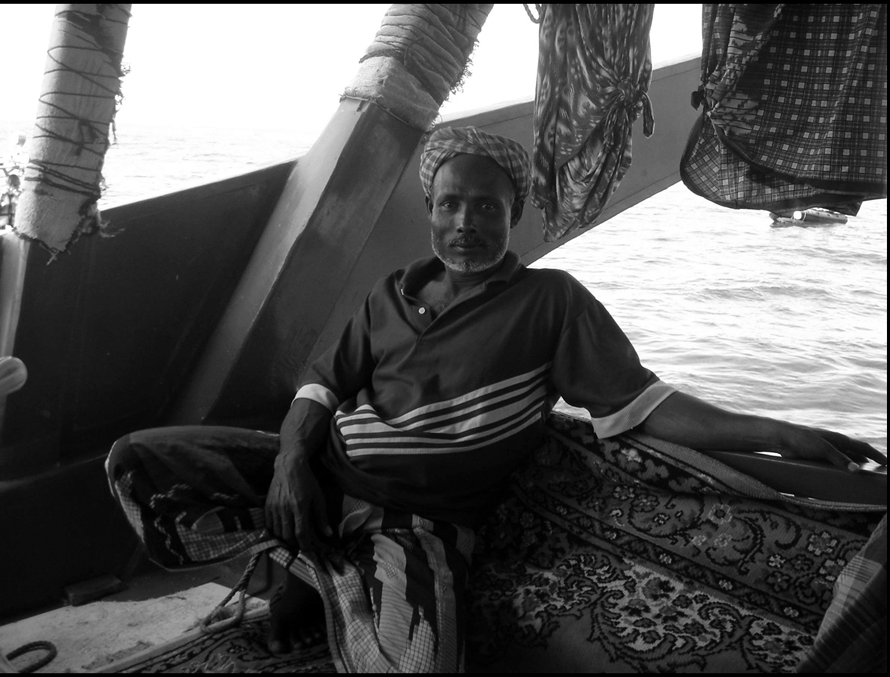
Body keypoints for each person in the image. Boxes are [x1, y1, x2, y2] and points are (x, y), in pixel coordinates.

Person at [106, 126, 886, 672]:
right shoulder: (390, 293)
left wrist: (782, 434)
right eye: (449, 203)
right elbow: (320, 382)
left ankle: (319, 574)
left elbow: (644, 405)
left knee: (413, 664)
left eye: (486, 205)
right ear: (431, 208)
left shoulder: (549, 302)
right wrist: (288, 461)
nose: (465, 222)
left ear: (515, 213)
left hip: (420, 521)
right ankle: (307, 562)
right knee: (138, 462)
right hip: (325, 474)